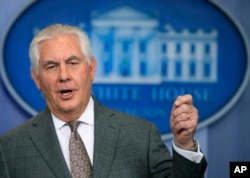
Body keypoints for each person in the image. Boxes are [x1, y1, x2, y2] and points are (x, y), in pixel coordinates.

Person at [0, 24, 207, 178]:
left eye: (73, 63)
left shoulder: (141, 136)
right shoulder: (10, 149)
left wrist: (184, 144)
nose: (63, 75)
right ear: (36, 78)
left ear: (91, 69)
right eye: (51, 66)